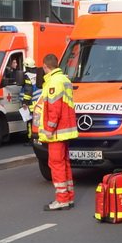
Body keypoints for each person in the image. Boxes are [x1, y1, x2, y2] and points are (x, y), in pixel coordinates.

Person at [35, 53, 79, 211]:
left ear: (46, 67)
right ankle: (68, 196)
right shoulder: (65, 79)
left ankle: (62, 200)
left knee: (56, 164)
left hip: (57, 132)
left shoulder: (54, 82)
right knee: (64, 163)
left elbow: (54, 109)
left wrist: (49, 129)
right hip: (65, 130)